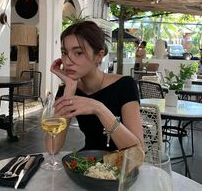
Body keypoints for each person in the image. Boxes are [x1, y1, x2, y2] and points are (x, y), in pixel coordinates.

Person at [46, 21, 143, 154]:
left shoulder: (125, 85)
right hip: (88, 163)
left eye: (78, 53)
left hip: (123, 166)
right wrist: (70, 88)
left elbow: (137, 151)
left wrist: (99, 109)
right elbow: (52, 148)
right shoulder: (67, 89)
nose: (67, 61)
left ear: (99, 56)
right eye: (64, 52)